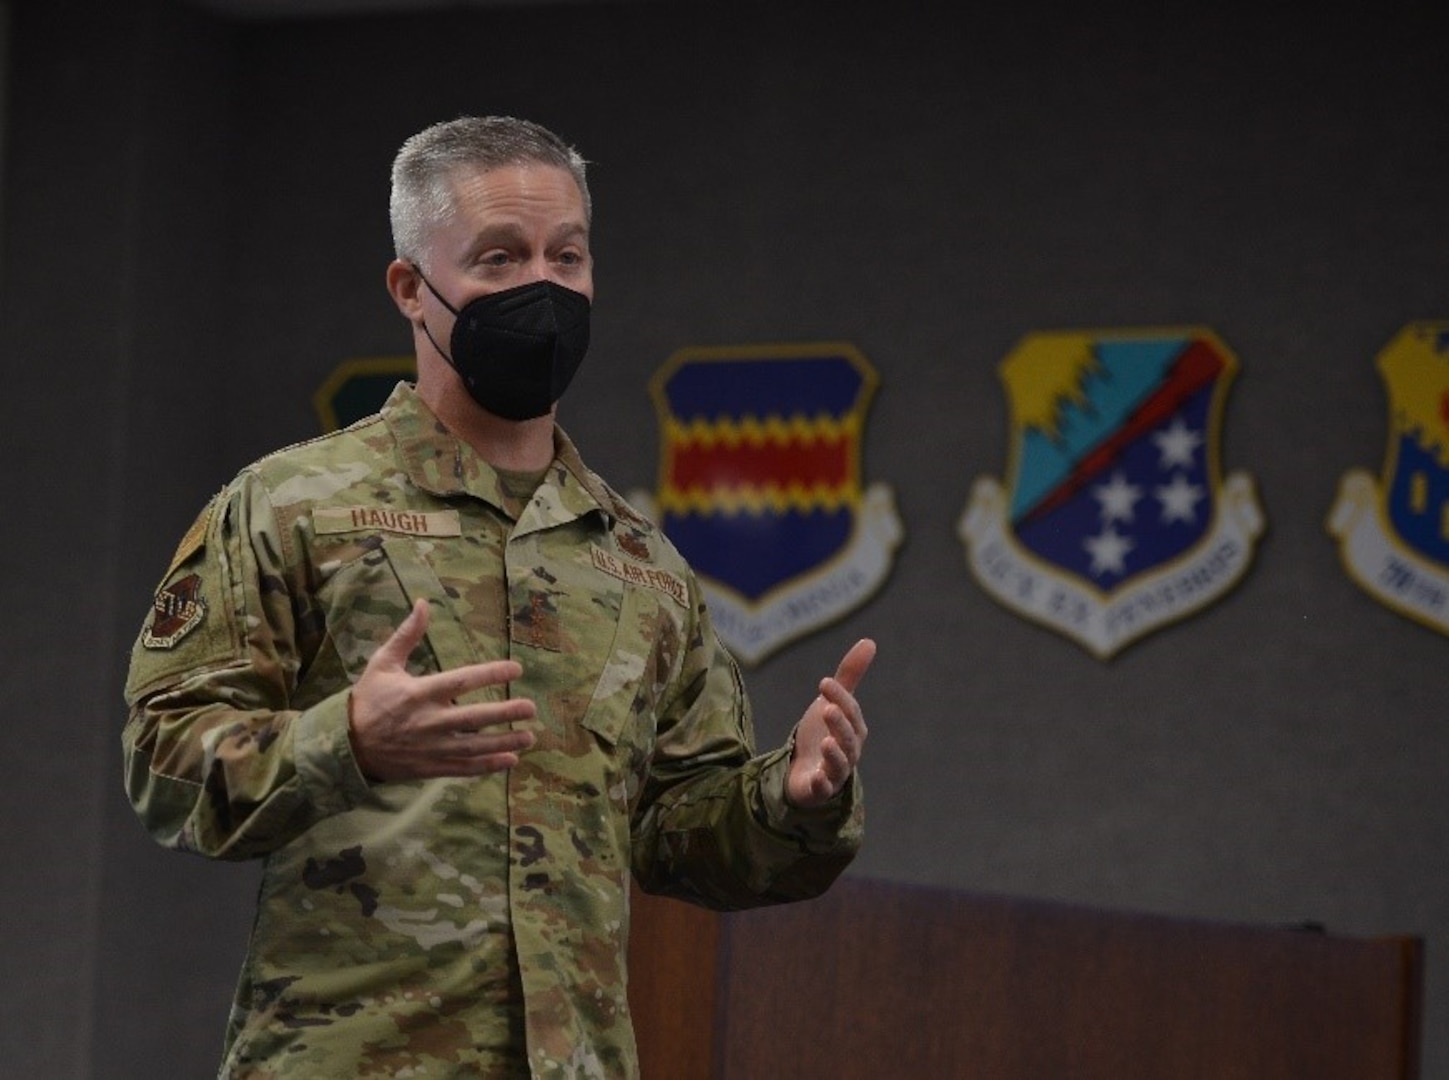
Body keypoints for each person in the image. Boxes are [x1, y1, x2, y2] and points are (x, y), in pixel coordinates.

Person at [122, 115, 875, 1079]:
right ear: (410, 288)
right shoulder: (291, 506)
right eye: (499, 258)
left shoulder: (639, 562)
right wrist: (344, 741)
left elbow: (675, 829)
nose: (543, 288)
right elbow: (163, 763)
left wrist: (795, 796)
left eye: (567, 256)